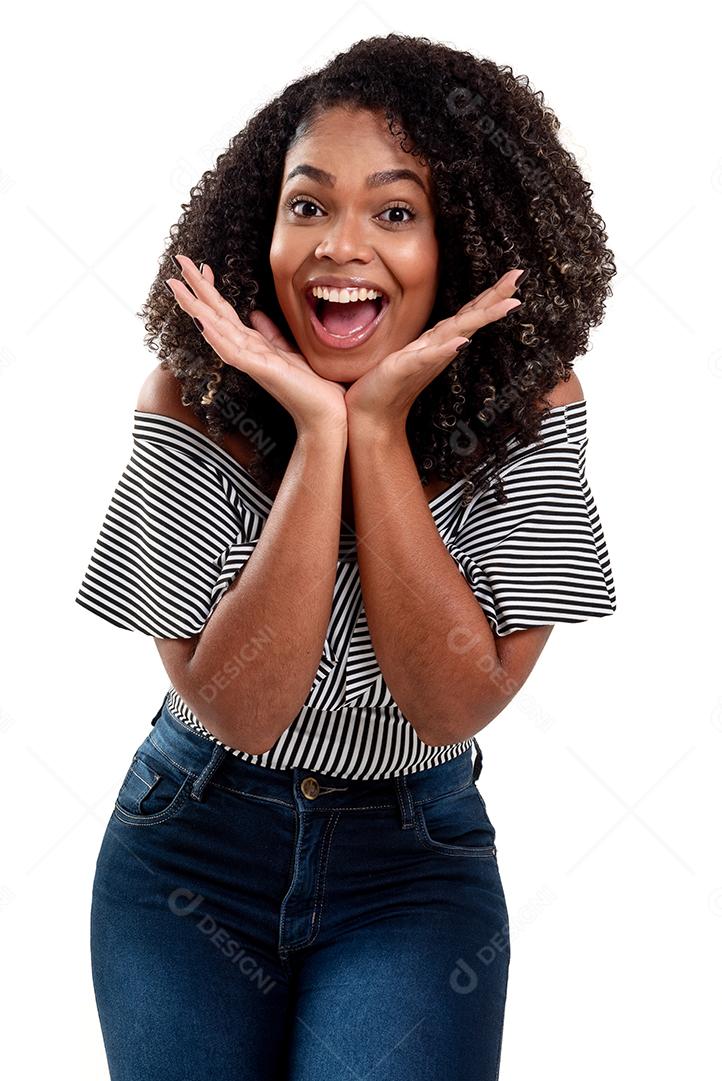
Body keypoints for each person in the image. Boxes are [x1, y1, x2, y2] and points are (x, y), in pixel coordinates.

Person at [75, 33, 617, 1081]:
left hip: (410, 866)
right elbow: (242, 708)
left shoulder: (531, 411)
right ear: (259, 224)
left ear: (459, 241)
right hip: (188, 840)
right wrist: (319, 435)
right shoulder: (191, 401)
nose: (339, 244)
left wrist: (375, 432)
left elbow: (450, 701)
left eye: (395, 211)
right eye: (309, 204)